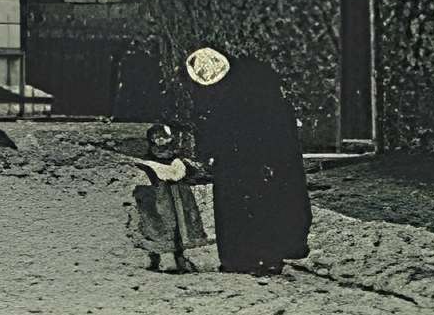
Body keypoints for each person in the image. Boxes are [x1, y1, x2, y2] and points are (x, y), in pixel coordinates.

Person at [181, 45, 311, 274]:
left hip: (256, 157)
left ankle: (262, 256)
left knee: (258, 206)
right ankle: (244, 257)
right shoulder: (228, 94)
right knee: (240, 207)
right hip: (235, 160)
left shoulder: (256, 96)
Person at [128, 119, 208, 272]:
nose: (161, 141)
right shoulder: (148, 160)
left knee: (179, 228)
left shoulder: (176, 158)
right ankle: (155, 259)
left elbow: (185, 174)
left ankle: (180, 259)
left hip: (178, 198)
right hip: (158, 199)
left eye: (164, 137)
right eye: (157, 138)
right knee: (157, 227)